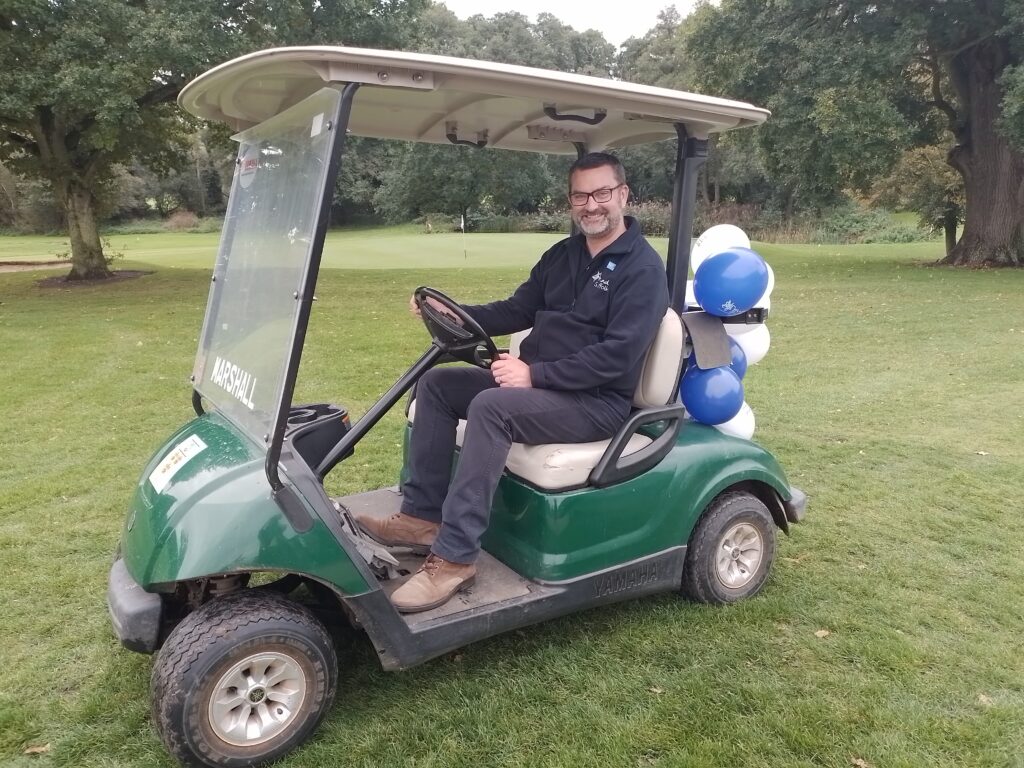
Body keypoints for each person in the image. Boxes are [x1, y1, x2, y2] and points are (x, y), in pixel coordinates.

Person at [353, 152, 670, 613]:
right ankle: (421, 518)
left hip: (596, 402)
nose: (591, 204)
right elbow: (515, 309)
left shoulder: (642, 270)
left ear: (622, 194)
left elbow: (617, 357)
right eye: (580, 195)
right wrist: (454, 312)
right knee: (438, 386)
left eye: (601, 193)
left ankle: (456, 558)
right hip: (544, 390)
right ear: (571, 201)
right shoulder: (563, 256)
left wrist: (533, 373)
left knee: (491, 406)